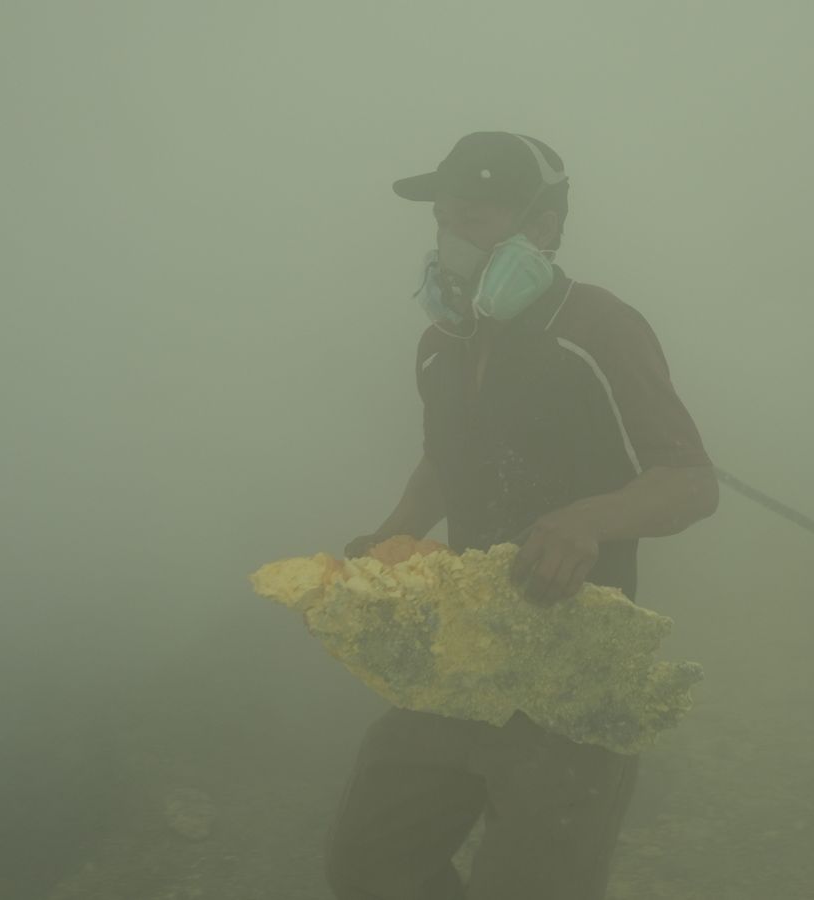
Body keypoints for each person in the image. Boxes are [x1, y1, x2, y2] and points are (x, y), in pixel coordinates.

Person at [326, 131, 717, 900]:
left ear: (541, 227)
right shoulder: (442, 344)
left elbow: (691, 480)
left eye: (472, 221)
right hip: (462, 647)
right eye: (442, 221)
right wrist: (393, 534)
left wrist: (590, 520)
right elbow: (447, 456)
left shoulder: (598, 328)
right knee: (370, 863)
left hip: (574, 669)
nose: (449, 241)